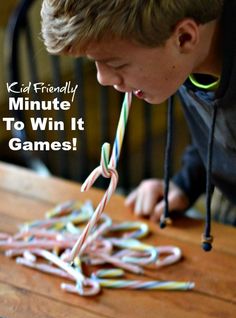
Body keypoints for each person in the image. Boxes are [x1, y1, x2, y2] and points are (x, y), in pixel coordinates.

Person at [41, 0, 236, 250]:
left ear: (185, 38)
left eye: (117, 64)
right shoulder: (183, 56)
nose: (103, 78)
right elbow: (216, 126)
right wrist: (186, 182)